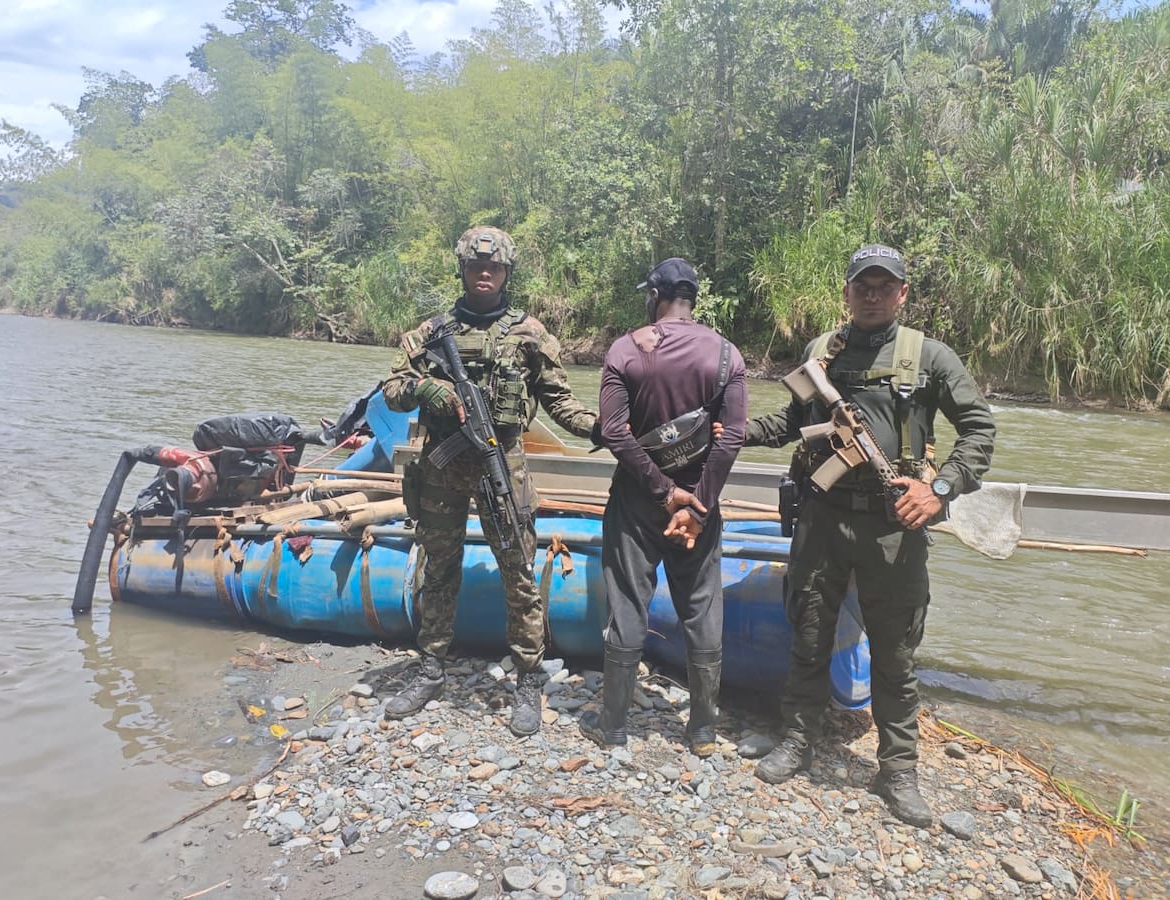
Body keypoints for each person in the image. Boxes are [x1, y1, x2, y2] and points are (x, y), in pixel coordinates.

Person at [745, 244, 995, 827]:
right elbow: (791, 422)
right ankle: (798, 742)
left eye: (886, 285)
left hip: (894, 526)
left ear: (903, 293)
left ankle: (898, 770)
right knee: (809, 633)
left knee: (895, 654)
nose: (874, 294)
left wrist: (941, 490)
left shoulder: (930, 357)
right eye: (864, 285)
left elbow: (979, 429)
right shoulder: (821, 352)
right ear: (848, 291)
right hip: (823, 515)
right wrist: (733, 431)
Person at [381, 226, 598, 736]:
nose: (485, 274)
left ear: (506, 273)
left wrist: (601, 428)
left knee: (518, 570)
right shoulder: (430, 332)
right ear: (462, 269)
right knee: (438, 567)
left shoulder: (531, 334)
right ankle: (431, 665)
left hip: (503, 465)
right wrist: (426, 389)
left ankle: (527, 676)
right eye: (477, 266)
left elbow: (560, 400)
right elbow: (391, 389)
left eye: (495, 267)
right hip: (441, 466)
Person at [579, 258, 747, 757]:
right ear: (692, 298)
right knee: (701, 607)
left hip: (636, 501)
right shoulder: (725, 354)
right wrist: (697, 504)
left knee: (629, 601)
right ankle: (701, 730)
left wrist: (661, 490)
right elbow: (733, 435)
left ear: (654, 295)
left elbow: (613, 431)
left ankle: (612, 725)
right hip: (700, 506)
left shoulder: (626, 349)